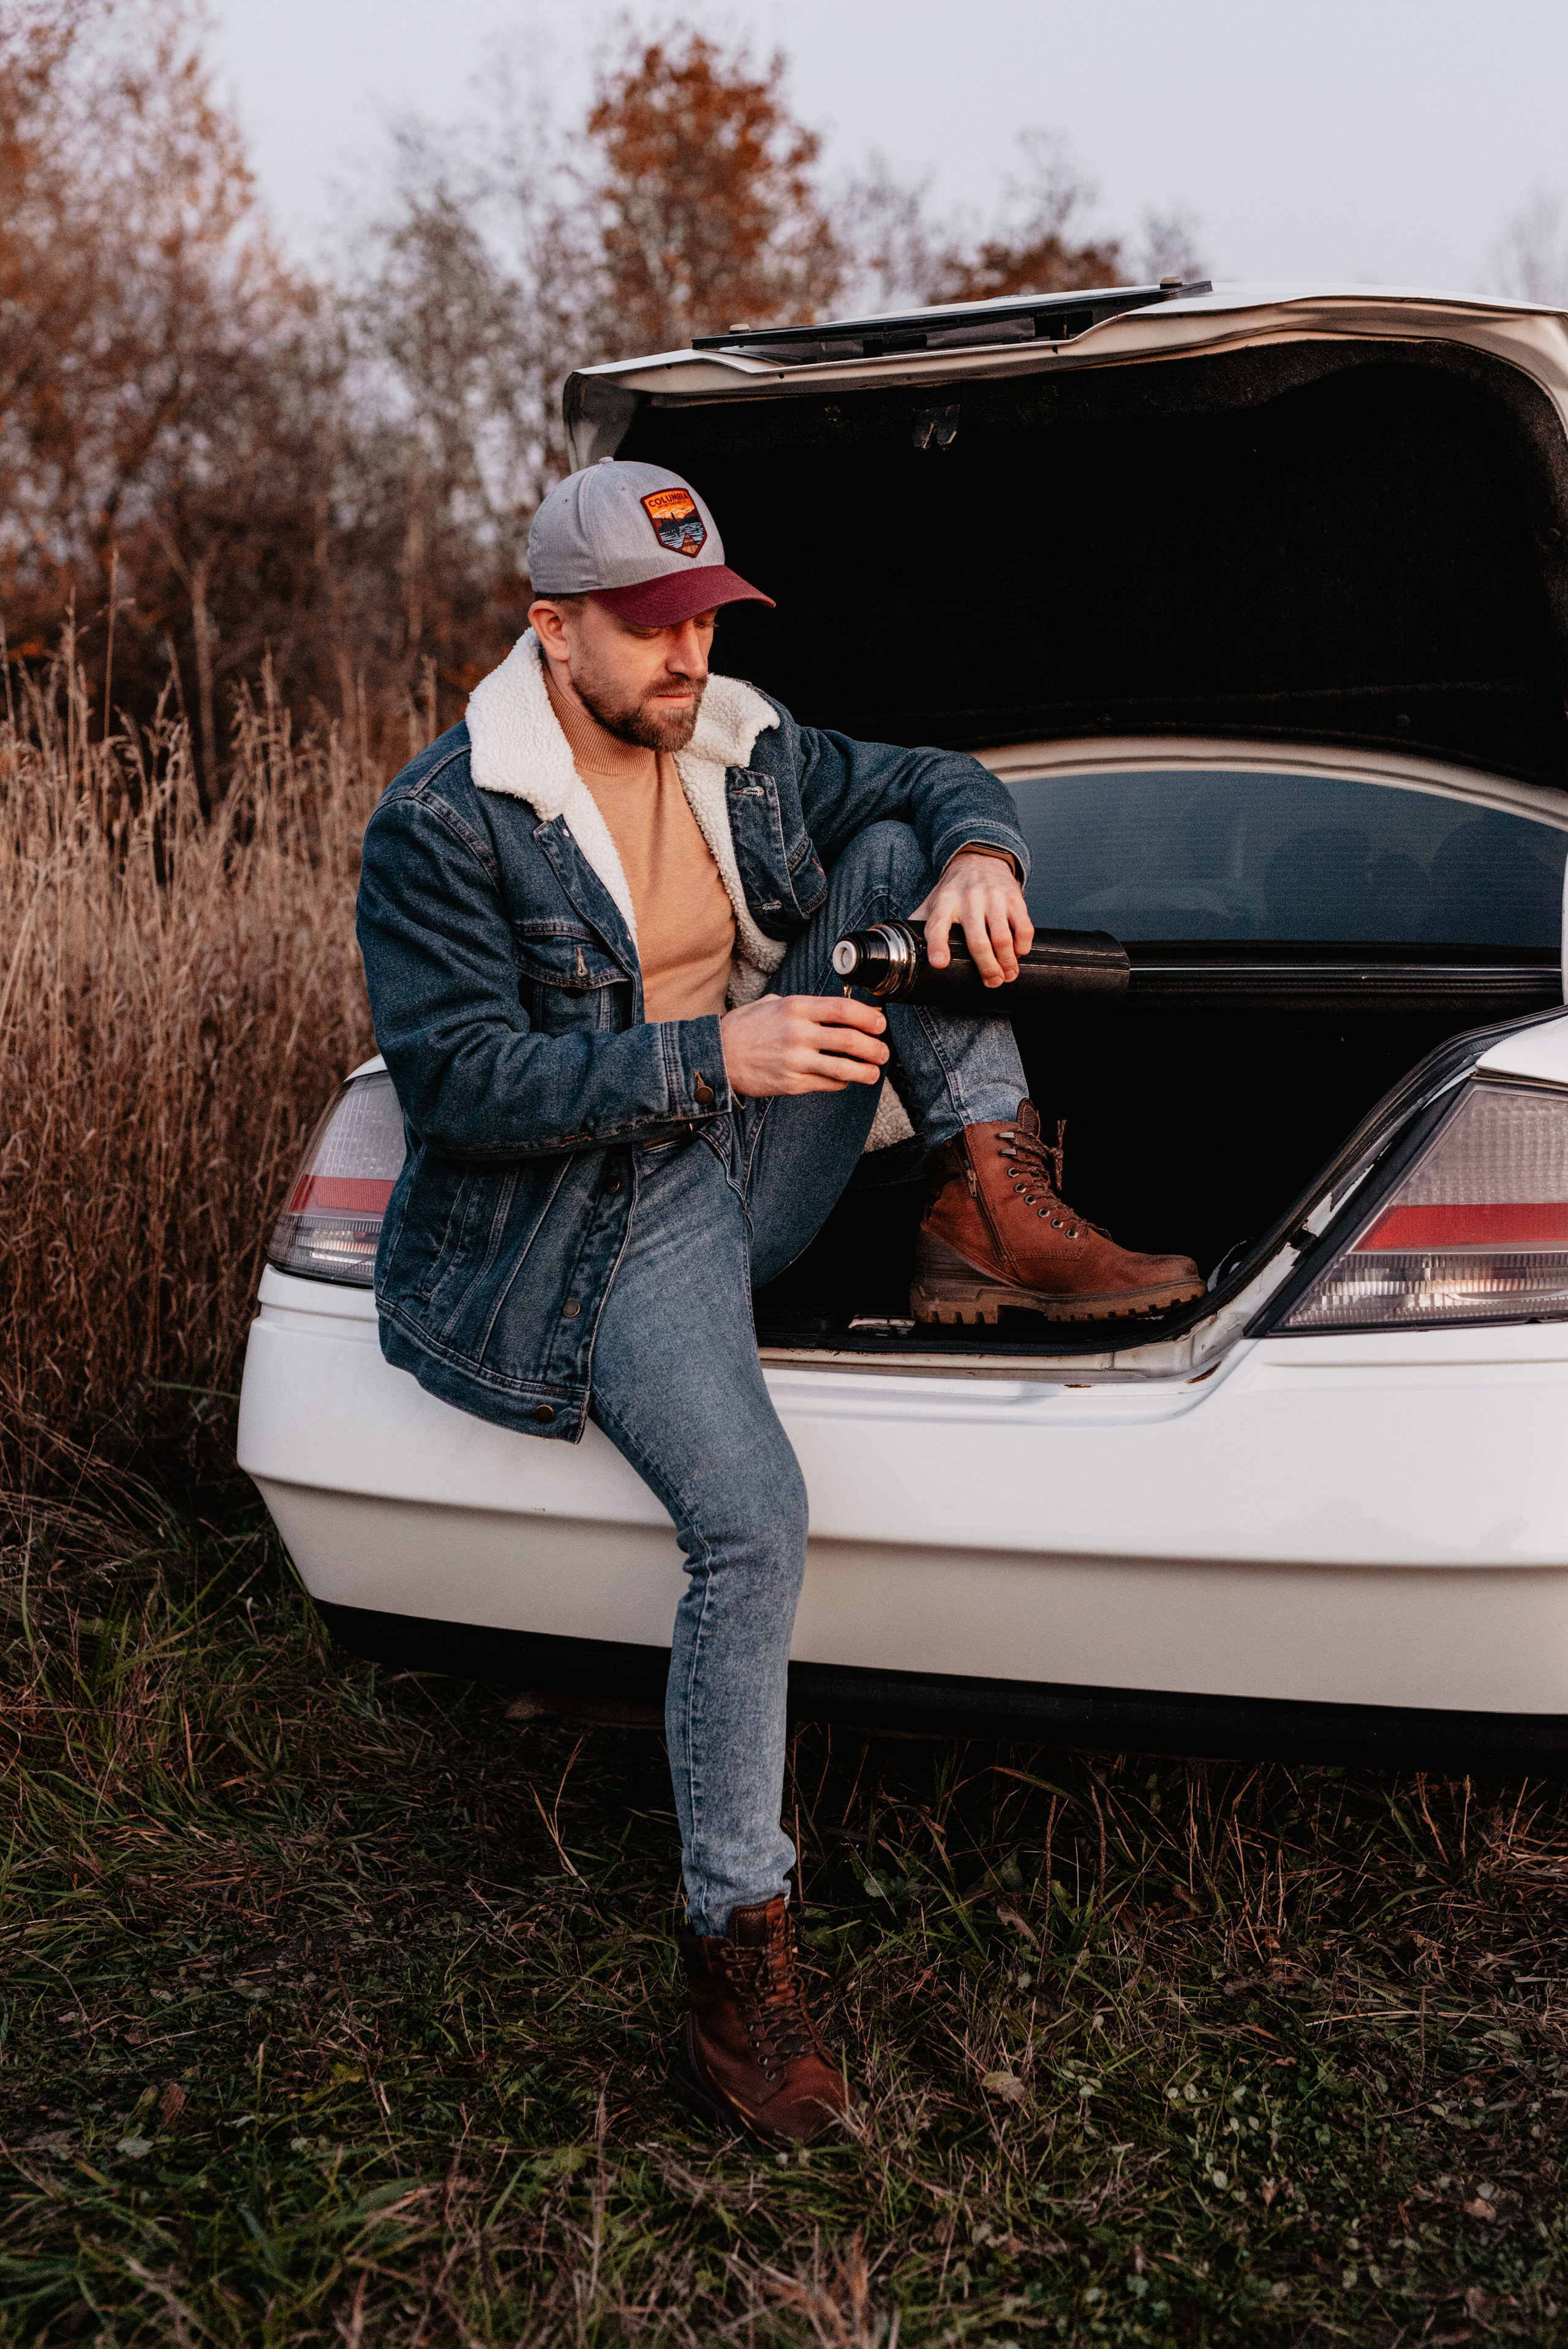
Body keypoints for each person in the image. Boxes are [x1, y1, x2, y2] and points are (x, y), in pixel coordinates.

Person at [356, 460, 1202, 2147]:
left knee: (891, 843)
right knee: (753, 1526)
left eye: (705, 620)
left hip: (743, 1145)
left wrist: (977, 856)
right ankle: (736, 1957)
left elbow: (930, 776)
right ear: (553, 629)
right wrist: (710, 1054)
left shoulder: (738, 743)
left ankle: (983, 1201)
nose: (689, 657)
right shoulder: (445, 821)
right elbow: (459, 1088)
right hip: (594, 1215)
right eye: (650, 627)